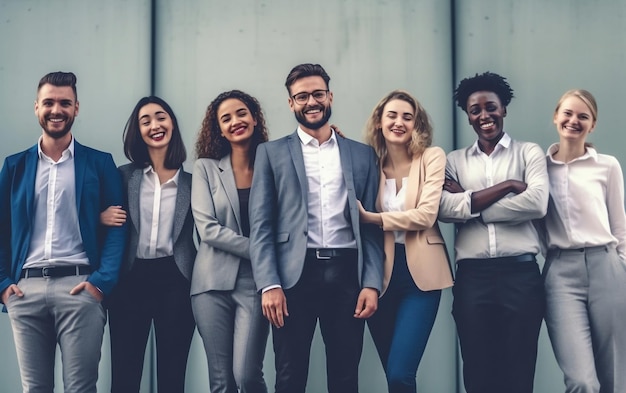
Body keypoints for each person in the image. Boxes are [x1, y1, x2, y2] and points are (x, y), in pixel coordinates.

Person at [249, 63, 383, 393]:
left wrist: (371, 282)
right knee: (290, 376)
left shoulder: (362, 155)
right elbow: (261, 226)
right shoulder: (270, 153)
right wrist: (269, 284)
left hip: (348, 275)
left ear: (330, 96)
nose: (312, 101)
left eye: (318, 94)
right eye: (302, 96)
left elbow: (372, 227)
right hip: (294, 277)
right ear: (291, 102)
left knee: (345, 376)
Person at [0, 71, 126, 393]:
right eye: (49, 102)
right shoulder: (15, 167)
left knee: (81, 388)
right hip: (25, 290)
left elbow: (118, 227)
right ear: (36, 107)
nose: (57, 110)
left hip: (80, 287)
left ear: (76, 108)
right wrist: (3, 285)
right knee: (35, 388)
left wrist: (100, 283)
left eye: (64, 103)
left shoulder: (100, 163)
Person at [438, 71, 548, 393]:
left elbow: (537, 203)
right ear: (468, 115)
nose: (484, 115)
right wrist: (511, 186)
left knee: (519, 369)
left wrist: (471, 204)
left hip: (521, 275)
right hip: (473, 278)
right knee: (478, 371)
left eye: (491, 107)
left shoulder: (529, 153)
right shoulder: (453, 161)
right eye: (476, 110)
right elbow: (445, 210)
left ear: (504, 109)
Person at [358, 90, 453, 392]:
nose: (399, 122)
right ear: (379, 123)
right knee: (393, 374)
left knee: (401, 373)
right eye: (392, 116)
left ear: (416, 125)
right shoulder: (369, 164)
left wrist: (373, 218)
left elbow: (425, 216)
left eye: (407, 117)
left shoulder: (431, 158)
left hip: (421, 278)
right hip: (379, 276)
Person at [100, 96, 196, 392]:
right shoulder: (123, 175)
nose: (155, 125)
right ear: (137, 132)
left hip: (177, 280)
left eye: (161, 117)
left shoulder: (195, 182)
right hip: (130, 280)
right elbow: (87, 207)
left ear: (172, 124)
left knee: (172, 375)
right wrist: (98, 217)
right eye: (146, 120)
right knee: (125, 375)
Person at [543, 89, 626, 393]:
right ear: (556, 117)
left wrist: (621, 267)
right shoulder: (539, 169)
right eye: (567, 113)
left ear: (592, 125)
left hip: (607, 268)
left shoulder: (607, 166)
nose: (573, 120)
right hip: (561, 274)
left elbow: (620, 226)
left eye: (583, 116)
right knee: (581, 380)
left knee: (615, 378)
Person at [190, 90, 269, 393]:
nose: (235, 121)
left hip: (256, 283)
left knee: (247, 376)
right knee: (221, 382)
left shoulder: (273, 164)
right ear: (219, 129)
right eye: (226, 118)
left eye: (241, 113)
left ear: (254, 118)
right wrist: (262, 252)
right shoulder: (206, 168)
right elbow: (208, 229)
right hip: (210, 285)